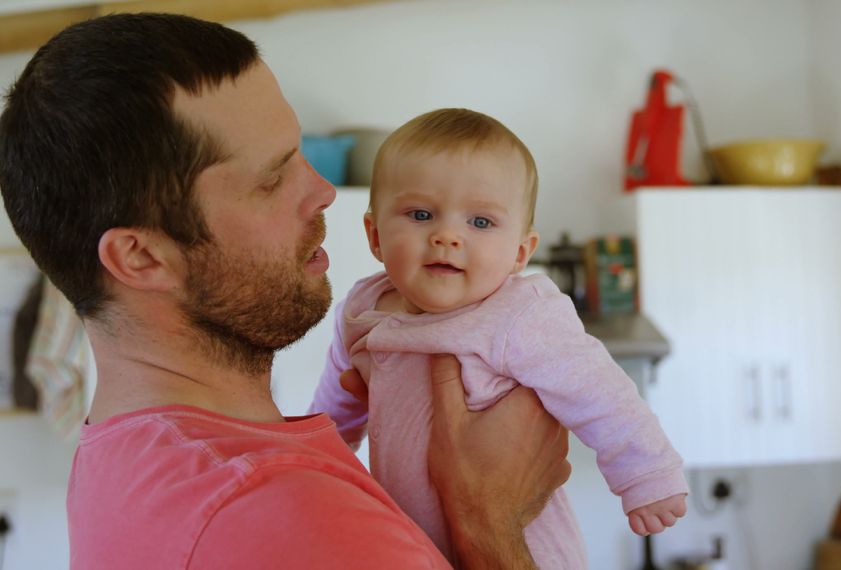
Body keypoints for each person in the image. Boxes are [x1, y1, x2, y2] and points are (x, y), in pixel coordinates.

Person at [0, 13, 571, 569]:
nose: (322, 191)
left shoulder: (126, 452)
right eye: (272, 178)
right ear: (143, 256)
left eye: (301, 154)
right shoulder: (300, 522)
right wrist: (488, 521)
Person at [310, 108, 690, 568]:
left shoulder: (520, 313)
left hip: (524, 544)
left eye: (481, 223)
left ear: (520, 252)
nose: (447, 235)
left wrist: (647, 474)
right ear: (374, 235)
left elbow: (601, 394)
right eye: (421, 214)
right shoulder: (363, 307)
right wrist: (314, 461)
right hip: (410, 541)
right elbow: (337, 398)